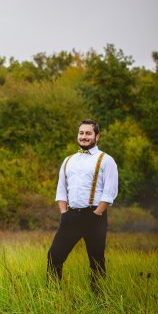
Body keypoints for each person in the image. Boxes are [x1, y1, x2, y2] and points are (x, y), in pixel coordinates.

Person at [47, 119, 118, 288]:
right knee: (54, 255)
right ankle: (52, 294)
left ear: (97, 136)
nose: (84, 136)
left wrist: (97, 213)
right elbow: (61, 189)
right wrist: (64, 212)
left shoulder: (106, 160)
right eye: (81, 133)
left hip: (95, 215)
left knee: (96, 260)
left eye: (88, 133)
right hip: (71, 216)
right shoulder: (68, 160)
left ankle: (98, 297)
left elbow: (109, 191)